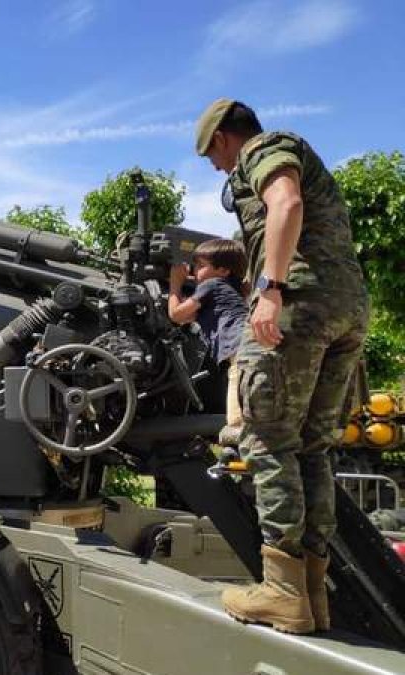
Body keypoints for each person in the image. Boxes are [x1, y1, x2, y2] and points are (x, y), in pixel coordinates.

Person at [195, 98, 368, 633]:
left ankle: (282, 589)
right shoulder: (295, 151)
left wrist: (269, 290)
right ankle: (310, 592)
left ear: (225, 138)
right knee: (312, 447)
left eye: (213, 157)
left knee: (267, 439)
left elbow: (285, 203)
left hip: (299, 307)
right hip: (345, 307)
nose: (219, 168)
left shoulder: (264, 150)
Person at [167, 238, 250, 444]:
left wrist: (175, 284)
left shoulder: (212, 285)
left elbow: (176, 315)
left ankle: (236, 434)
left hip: (239, 345)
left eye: (201, 266)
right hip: (248, 343)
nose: (195, 271)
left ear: (223, 271)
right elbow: (188, 318)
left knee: (236, 385)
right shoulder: (231, 289)